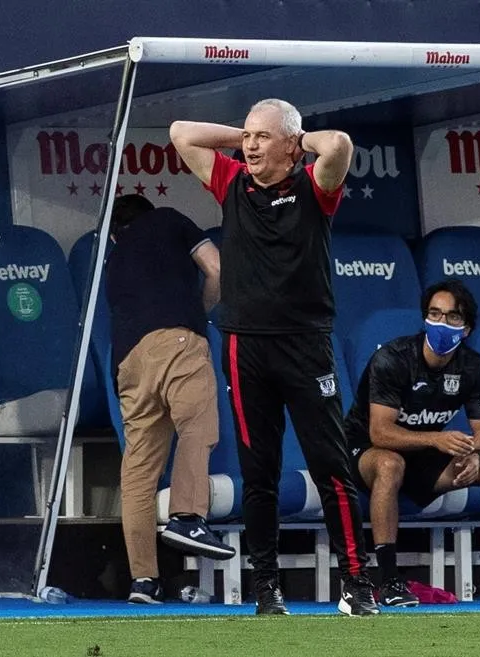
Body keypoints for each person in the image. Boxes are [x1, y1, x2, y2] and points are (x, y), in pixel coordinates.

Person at [170, 99, 378, 616]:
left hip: (306, 344)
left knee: (331, 466)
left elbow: (339, 146)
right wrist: (245, 135)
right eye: (248, 136)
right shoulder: (231, 183)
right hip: (244, 348)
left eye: (264, 138)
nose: (252, 145)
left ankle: (355, 583)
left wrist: (296, 138)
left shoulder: (315, 187)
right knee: (258, 473)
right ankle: (267, 589)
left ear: (291, 146)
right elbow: (181, 131)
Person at [344, 279, 480, 607]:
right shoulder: (393, 358)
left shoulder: (473, 366)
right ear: (425, 318)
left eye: (452, 318)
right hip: (364, 451)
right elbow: (379, 433)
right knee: (389, 462)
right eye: (434, 314)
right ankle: (389, 581)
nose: (441, 324)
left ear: (466, 328)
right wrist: (438, 438)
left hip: (422, 454)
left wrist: (478, 458)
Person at [105, 194, 235, 605]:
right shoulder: (170, 217)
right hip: (177, 339)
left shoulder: (113, 258)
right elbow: (216, 267)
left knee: (139, 470)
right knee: (198, 426)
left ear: (113, 234)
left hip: (128, 361)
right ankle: (187, 517)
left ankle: (144, 580)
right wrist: (201, 310)